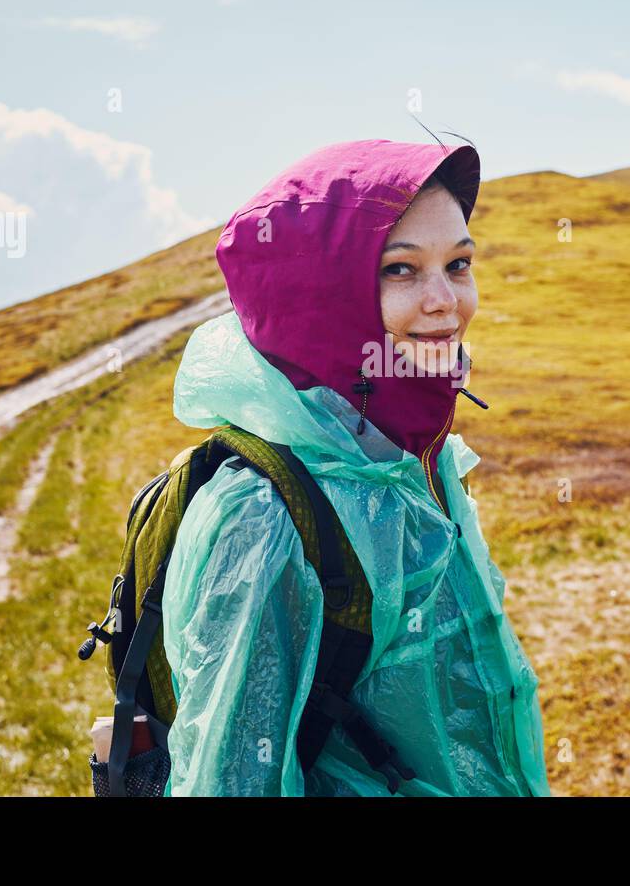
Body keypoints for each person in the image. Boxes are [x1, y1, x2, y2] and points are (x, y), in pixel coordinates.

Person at [161, 138, 550, 796]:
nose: (446, 301)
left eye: (458, 264)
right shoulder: (264, 519)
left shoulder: (417, 458)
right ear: (322, 299)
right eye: (400, 270)